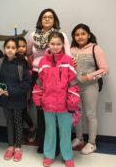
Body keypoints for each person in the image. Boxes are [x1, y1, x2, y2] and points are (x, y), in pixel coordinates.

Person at [33, 32, 80, 167]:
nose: (55, 46)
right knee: (50, 131)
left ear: (62, 44)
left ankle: (68, 156)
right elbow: (39, 83)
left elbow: (73, 83)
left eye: (58, 44)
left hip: (65, 105)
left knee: (65, 132)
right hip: (47, 104)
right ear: (48, 44)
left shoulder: (68, 60)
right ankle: (49, 155)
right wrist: (38, 99)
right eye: (52, 44)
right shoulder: (43, 61)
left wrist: (72, 102)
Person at [27, 8, 71, 153]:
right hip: (37, 75)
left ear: (54, 20)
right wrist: (33, 66)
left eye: (50, 17)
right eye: (44, 17)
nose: (46, 19)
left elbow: (68, 57)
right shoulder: (33, 35)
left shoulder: (61, 35)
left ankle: (58, 146)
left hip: (57, 76)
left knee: (58, 111)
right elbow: (28, 53)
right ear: (40, 19)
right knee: (41, 110)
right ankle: (44, 145)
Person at [70, 23, 109, 155]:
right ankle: (79, 139)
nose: (80, 37)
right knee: (77, 114)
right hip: (74, 87)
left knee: (90, 114)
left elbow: (105, 70)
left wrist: (89, 76)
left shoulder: (95, 48)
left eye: (83, 34)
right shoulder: (71, 49)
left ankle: (92, 143)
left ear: (88, 35)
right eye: (77, 34)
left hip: (90, 87)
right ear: (73, 37)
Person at [0, 38, 31, 162]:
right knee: (9, 122)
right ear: (4, 48)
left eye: (13, 48)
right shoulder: (0, 62)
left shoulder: (22, 64)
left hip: (18, 99)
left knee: (18, 123)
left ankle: (18, 148)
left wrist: (11, 92)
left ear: (16, 50)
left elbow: (27, 84)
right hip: (5, 100)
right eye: (7, 47)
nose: (10, 50)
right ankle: (10, 146)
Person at [16, 37, 36, 142]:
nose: (21, 49)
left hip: (25, 90)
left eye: (23, 46)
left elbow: (32, 73)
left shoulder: (29, 58)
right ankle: (19, 134)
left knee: (23, 111)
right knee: (16, 113)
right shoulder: (11, 58)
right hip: (14, 90)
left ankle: (32, 128)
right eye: (18, 46)